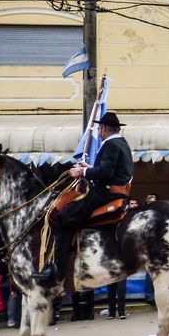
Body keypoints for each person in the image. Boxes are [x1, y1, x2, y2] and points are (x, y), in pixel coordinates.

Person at [32, 111, 133, 286]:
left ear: (103, 129)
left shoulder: (110, 145)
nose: (99, 133)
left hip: (105, 193)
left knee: (62, 217)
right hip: (117, 191)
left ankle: (57, 270)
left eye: (100, 129)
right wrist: (90, 168)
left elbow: (106, 173)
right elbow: (109, 170)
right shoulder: (122, 143)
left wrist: (82, 171)